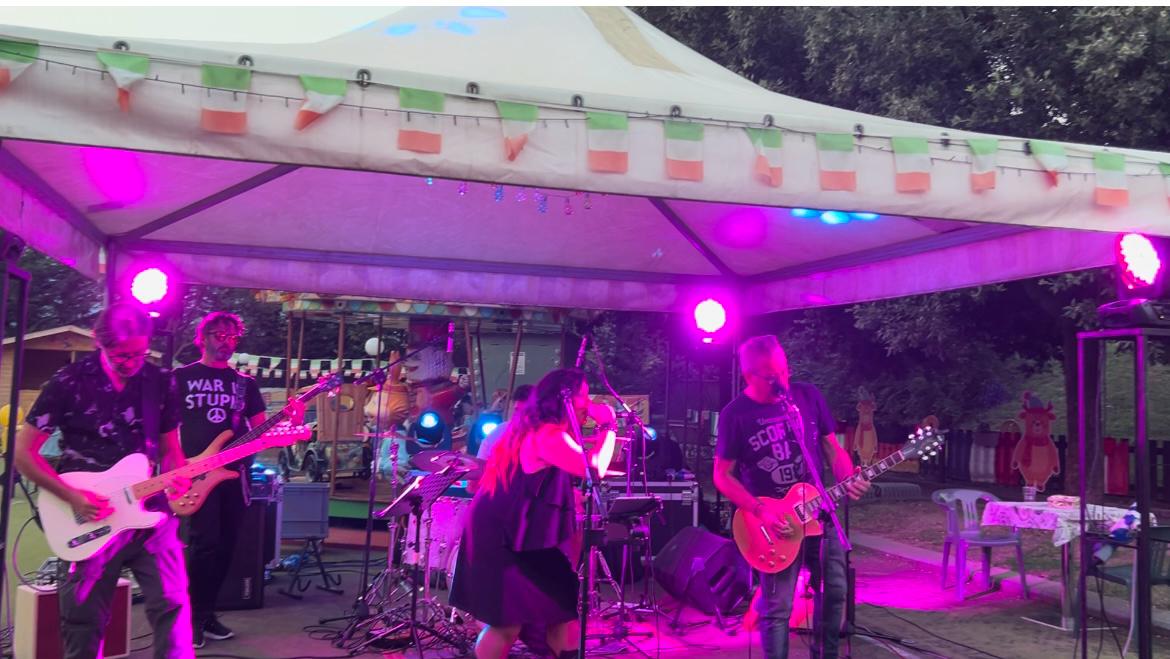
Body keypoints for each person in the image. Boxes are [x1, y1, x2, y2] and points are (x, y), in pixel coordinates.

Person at [14, 303, 195, 659]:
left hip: (151, 514)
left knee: (173, 606)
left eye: (139, 353)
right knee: (82, 620)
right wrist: (72, 497)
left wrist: (177, 476)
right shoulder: (69, 381)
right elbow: (24, 452)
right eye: (122, 355)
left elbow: (170, 449)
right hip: (89, 516)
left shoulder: (161, 381)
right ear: (98, 339)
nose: (132, 363)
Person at [714, 335, 869, 659]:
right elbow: (722, 476)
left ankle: (825, 654)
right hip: (773, 525)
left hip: (818, 513)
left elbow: (832, 448)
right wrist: (760, 511)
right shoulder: (734, 414)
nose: (783, 381)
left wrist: (847, 477)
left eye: (785, 372)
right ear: (749, 376)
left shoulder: (807, 396)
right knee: (777, 608)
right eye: (773, 376)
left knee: (836, 589)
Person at [449, 368, 616, 659]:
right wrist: (609, 426)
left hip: (520, 537)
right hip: (502, 536)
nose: (589, 404)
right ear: (564, 399)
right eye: (584, 396)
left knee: (560, 604)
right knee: (507, 622)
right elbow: (593, 469)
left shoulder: (543, 430)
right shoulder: (547, 434)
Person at [171, 311, 266, 648]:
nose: (226, 342)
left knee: (227, 545)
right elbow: (164, 426)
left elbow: (260, 430)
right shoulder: (180, 377)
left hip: (233, 475)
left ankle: (207, 613)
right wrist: (175, 464)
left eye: (232, 336)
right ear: (203, 337)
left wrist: (281, 429)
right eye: (219, 335)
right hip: (194, 474)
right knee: (204, 545)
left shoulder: (245, 384)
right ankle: (192, 618)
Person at [475, 383, 534, 461]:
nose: (521, 416)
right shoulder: (500, 430)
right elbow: (481, 459)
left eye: (526, 411)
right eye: (517, 410)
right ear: (512, 405)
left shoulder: (538, 436)